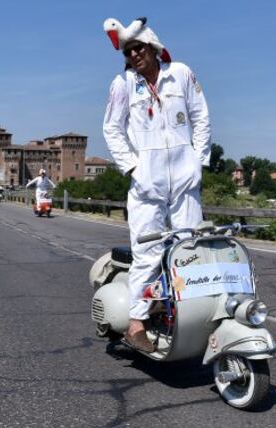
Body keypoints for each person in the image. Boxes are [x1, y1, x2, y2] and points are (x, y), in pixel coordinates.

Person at [103, 17, 211, 352]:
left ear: (152, 46)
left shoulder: (181, 73)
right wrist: (134, 168)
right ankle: (137, 323)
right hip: (146, 181)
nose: (135, 54)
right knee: (147, 252)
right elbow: (112, 129)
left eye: (139, 47)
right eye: (129, 50)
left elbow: (201, 116)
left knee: (190, 248)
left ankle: (189, 315)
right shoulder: (123, 85)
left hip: (184, 177)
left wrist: (198, 160)